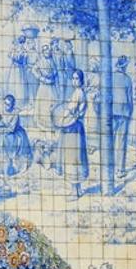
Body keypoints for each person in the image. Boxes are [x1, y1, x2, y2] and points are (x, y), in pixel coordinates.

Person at [50, 69, 89, 198]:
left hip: (73, 128)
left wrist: (60, 118)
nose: (74, 81)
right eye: (73, 78)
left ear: (81, 80)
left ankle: (74, 191)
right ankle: (78, 189)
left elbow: (70, 111)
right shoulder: (78, 92)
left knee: (72, 157)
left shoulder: (78, 93)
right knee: (75, 157)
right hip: (76, 127)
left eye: (77, 78)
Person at [0, 94, 33, 180]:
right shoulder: (1, 110)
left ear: (12, 105)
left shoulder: (15, 112)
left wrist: (0, 131)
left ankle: (11, 164)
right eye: (5, 104)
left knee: (3, 138)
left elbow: (12, 128)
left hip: (15, 133)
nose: (6, 106)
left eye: (8, 104)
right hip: (5, 130)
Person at [113, 56, 134, 177]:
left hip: (112, 112)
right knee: (121, 142)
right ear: (124, 66)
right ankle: (120, 170)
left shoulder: (111, 77)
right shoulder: (127, 79)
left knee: (111, 140)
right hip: (124, 113)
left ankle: (111, 168)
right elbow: (130, 99)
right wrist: (130, 112)